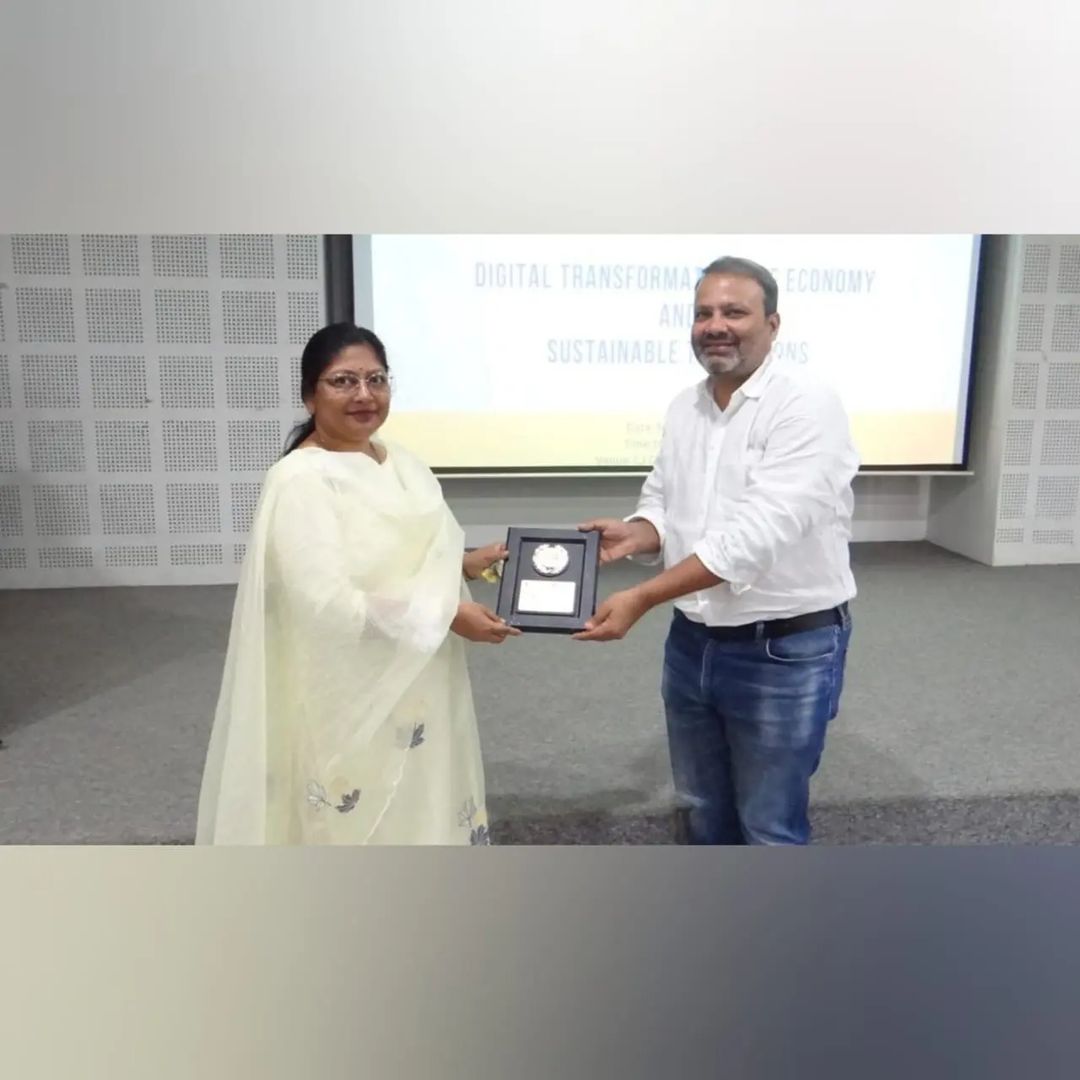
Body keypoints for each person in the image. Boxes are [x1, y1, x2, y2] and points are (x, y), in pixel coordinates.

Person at [196, 323, 518, 845]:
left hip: (418, 674)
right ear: (310, 395)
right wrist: (446, 614)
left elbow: (396, 561)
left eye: (376, 379)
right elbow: (324, 603)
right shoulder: (301, 480)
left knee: (422, 801)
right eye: (343, 381)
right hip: (347, 688)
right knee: (353, 819)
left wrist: (463, 565)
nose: (364, 395)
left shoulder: (402, 464)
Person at [574, 256, 858, 846]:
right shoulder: (687, 405)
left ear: (772, 325)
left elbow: (756, 536)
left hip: (783, 650)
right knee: (703, 813)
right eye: (703, 313)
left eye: (734, 312)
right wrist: (640, 531)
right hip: (692, 642)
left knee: (769, 826)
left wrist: (643, 596)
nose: (715, 326)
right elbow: (666, 498)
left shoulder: (806, 404)